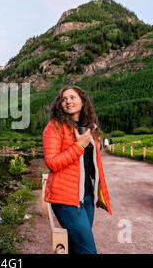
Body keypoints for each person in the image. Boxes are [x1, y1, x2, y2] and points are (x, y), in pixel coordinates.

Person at [42, 85, 112, 254]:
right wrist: (79, 146)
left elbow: (92, 165)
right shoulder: (54, 127)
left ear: (82, 101)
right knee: (87, 251)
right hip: (66, 200)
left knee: (76, 248)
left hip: (87, 198)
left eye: (72, 97)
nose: (68, 101)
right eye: (64, 99)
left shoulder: (89, 129)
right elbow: (52, 163)